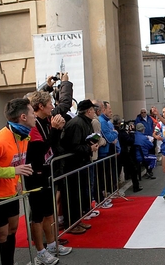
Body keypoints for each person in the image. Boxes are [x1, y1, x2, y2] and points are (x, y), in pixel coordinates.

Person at [0, 98, 35, 265]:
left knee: (12, 230)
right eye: (32, 113)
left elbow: (14, 161)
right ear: (23, 117)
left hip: (10, 192)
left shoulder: (23, 136)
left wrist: (16, 179)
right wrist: (13, 172)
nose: (35, 117)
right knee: (1, 235)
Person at [26, 91, 72, 264]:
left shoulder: (46, 121)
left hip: (47, 172)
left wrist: (57, 130)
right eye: (50, 104)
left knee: (49, 213)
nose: (53, 107)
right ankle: (40, 251)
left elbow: (53, 145)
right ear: (40, 107)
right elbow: (41, 150)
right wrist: (54, 130)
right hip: (35, 174)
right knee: (37, 216)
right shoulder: (34, 124)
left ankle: (52, 244)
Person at [60, 99, 99, 234]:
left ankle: (77, 221)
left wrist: (91, 144)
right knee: (73, 196)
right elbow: (73, 146)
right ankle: (70, 223)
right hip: (73, 165)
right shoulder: (77, 124)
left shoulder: (84, 122)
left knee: (79, 194)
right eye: (93, 110)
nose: (94, 112)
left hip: (80, 163)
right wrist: (89, 148)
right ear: (88, 111)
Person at [113, 116, 143, 192]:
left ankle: (113, 190)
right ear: (119, 123)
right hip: (124, 153)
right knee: (133, 169)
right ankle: (136, 187)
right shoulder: (121, 132)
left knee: (116, 172)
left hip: (117, 153)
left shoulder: (113, 131)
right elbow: (130, 141)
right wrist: (132, 132)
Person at [97, 101, 118, 201]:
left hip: (105, 152)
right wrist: (115, 133)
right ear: (104, 110)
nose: (111, 111)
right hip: (102, 153)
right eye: (109, 109)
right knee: (102, 176)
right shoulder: (102, 121)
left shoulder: (104, 121)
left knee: (105, 175)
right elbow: (109, 137)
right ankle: (103, 196)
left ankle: (105, 194)